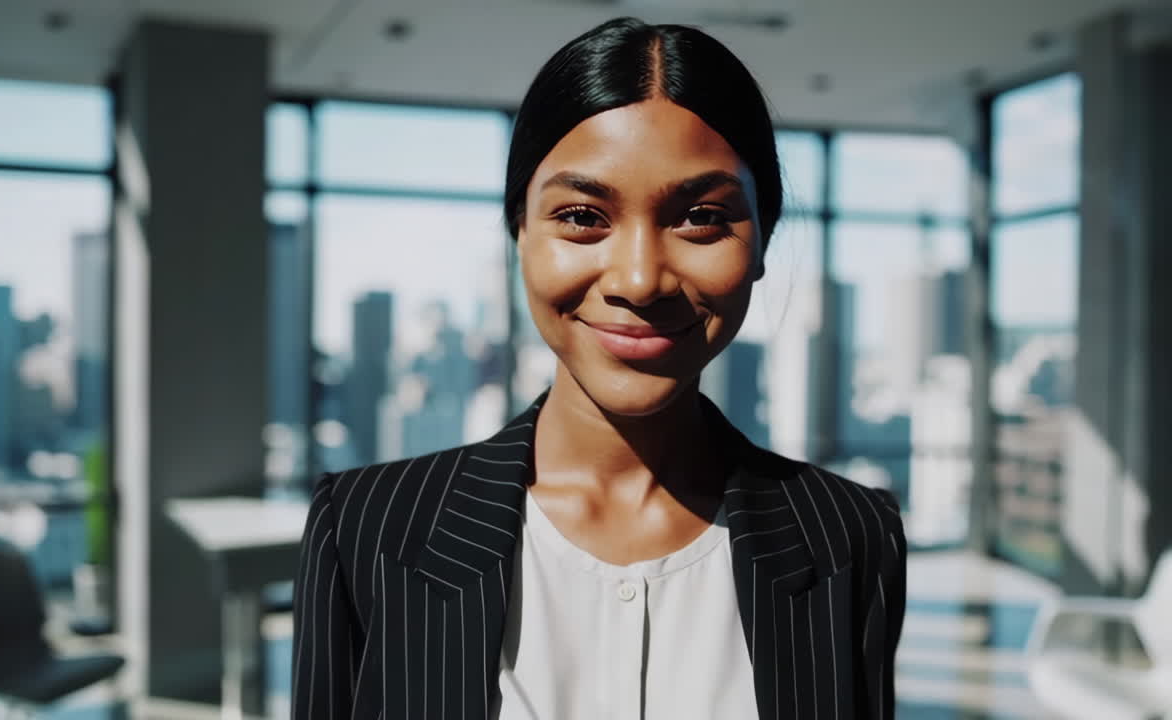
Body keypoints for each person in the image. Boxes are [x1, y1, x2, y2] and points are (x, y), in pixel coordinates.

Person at [292, 16, 906, 720]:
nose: (640, 280)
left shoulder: (850, 537)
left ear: (762, 239)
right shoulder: (365, 529)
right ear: (520, 233)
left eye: (701, 216)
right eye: (583, 217)